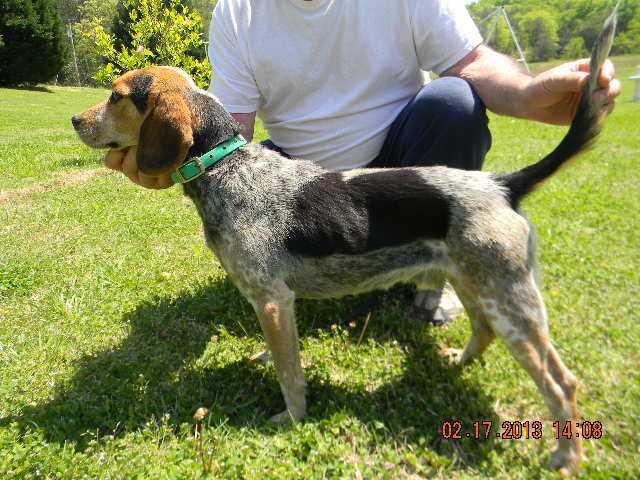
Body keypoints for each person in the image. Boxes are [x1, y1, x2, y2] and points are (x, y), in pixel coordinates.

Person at [104, 0, 620, 324]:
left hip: (398, 167)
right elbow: (230, 134)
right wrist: (172, 165)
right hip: (297, 182)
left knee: (453, 103)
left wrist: (530, 94)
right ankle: (296, 267)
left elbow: (472, 63)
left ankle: (431, 281)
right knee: (245, 174)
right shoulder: (237, 11)